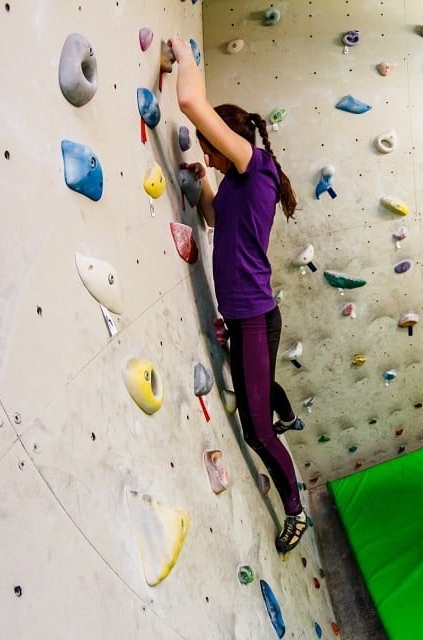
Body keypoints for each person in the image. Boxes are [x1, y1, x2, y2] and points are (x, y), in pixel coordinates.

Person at [170, 38, 307, 554]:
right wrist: (201, 182)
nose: (207, 153)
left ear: (231, 140)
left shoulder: (257, 167)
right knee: (258, 393)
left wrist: (186, 60)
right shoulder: (234, 187)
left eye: (211, 149)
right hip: (248, 314)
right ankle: (286, 412)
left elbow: (190, 105)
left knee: (255, 430)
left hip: (252, 317)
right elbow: (212, 219)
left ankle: (295, 511)